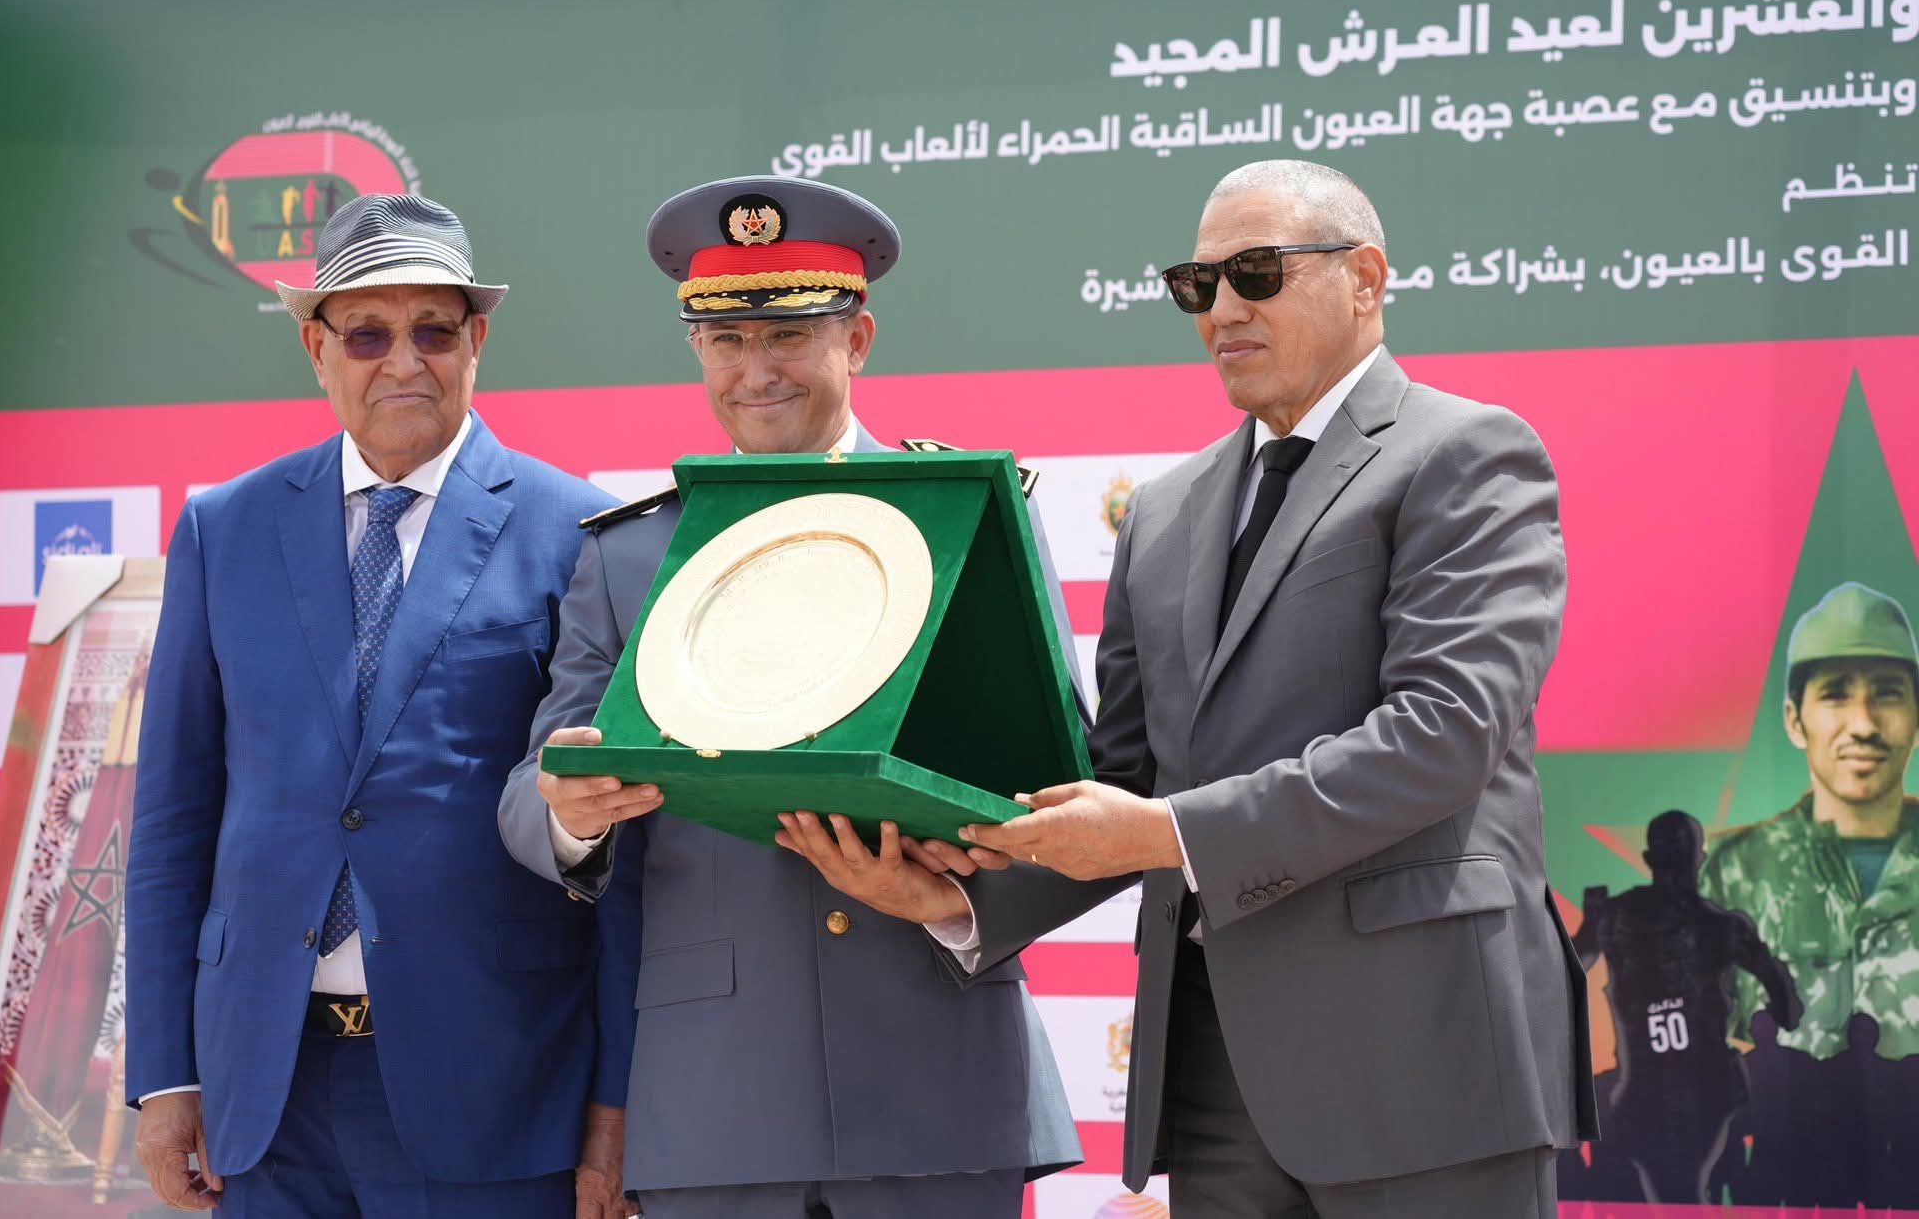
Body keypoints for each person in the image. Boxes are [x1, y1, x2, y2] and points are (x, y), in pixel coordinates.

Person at [792, 159, 1597, 1217]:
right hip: (1216, 1077)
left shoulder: (1465, 453)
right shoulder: (1164, 511)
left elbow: (1442, 736)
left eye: (1256, 273)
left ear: (1365, 278)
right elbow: (1124, 777)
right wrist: (960, 898)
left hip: (1427, 1059)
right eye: (1197, 283)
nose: (1221, 309)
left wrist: (1167, 834)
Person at [497, 174, 1080, 1219]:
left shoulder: (970, 513)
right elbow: (533, 783)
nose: (755, 370)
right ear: (696, 351)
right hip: (719, 1102)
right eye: (726, 340)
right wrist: (569, 812)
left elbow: (1069, 780)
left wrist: (957, 906)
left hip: (940, 1082)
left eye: (788, 336)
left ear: (858, 339)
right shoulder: (630, 553)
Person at [125, 194, 639, 1218]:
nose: (403, 361)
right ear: (316, 348)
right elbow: (173, 823)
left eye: (433, 331)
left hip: (499, 1092)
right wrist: (165, 1075)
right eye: (366, 333)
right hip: (262, 1094)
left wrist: (616, 1103)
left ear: (476, 341)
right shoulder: (223, 529)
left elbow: (624, 850)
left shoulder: (583, 531)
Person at [1701, 580, 1919, 1059]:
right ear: (1795, 721)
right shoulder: (1731, 875)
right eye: (1836, 695)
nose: (1863, 725)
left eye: (1888, 694)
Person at [1573, 810, 1801, 1203]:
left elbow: (1571, 966)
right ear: (1700, 858)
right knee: (1680, 1192)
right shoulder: (1719, 927)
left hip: (1677, 1088)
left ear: (1649, 859)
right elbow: (1782, 994)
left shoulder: (1621, 918)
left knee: (1679, 1192)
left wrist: (1591, 926)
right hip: (1678, 1088)